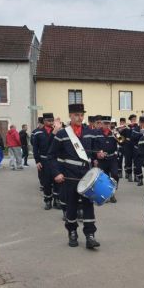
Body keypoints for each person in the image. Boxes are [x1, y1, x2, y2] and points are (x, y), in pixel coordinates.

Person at [48, 103, 100, 249]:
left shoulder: (89, 131)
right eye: (76, 115)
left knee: (88, 205)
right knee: (71, 205)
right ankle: (72, 233)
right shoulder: (62, 134)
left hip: (86, 174)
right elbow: (51, 156)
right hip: (69, 175)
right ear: (70, 115)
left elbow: (92, 151)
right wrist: (56, 173)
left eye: (82, 115)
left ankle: (90, 235)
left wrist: (98, 154)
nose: (80, 117)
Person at [32, 113, 62, 210]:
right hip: (44, 160)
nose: (51, 122)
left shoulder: (58, 132)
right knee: (46, 182)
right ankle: (48, 200)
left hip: (56, 160)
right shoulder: (38, 133)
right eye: (48, 120)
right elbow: (35, 148)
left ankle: (56, 200)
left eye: (52, 120)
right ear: (44, 121)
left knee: (57, 181)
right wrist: (37, 161)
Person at [94, 115, 119, 203]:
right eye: (105, 123)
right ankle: (106, 194)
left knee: (115, 175)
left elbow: (123, 143)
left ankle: (113, 193)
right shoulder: (97, 133)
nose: (107, 125)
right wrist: (97, 154)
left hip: (112, 158)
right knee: (104, 178)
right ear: (101, 124)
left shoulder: (114, 133)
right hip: (102, 160)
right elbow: (94, 146)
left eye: (109, 123)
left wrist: (117, 135)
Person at [132, 116, 144, 186]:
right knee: (138, 165)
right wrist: (140, 134)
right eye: (141, 123)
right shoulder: (135, 129)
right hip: (137, 149)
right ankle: (140, 179)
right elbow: (133, 137)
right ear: (139, 122)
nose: (142, 124)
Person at [122, 114, 138, 182]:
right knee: (128, 161)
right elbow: (121, 137)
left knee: (136, 161)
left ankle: (136, 175)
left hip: (135, 145)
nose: (134, 120)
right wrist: (125, 141)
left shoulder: (137, 127)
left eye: (135, 119)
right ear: (130, 120)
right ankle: (129, 175)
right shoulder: (126, 127)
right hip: (128, 146)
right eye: (133, 119)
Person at [31, 118, 44, 191]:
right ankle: (42, 184)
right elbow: (33, 142)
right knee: (41, 170)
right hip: (40, 154)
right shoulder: (35, 132)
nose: (40, 124)